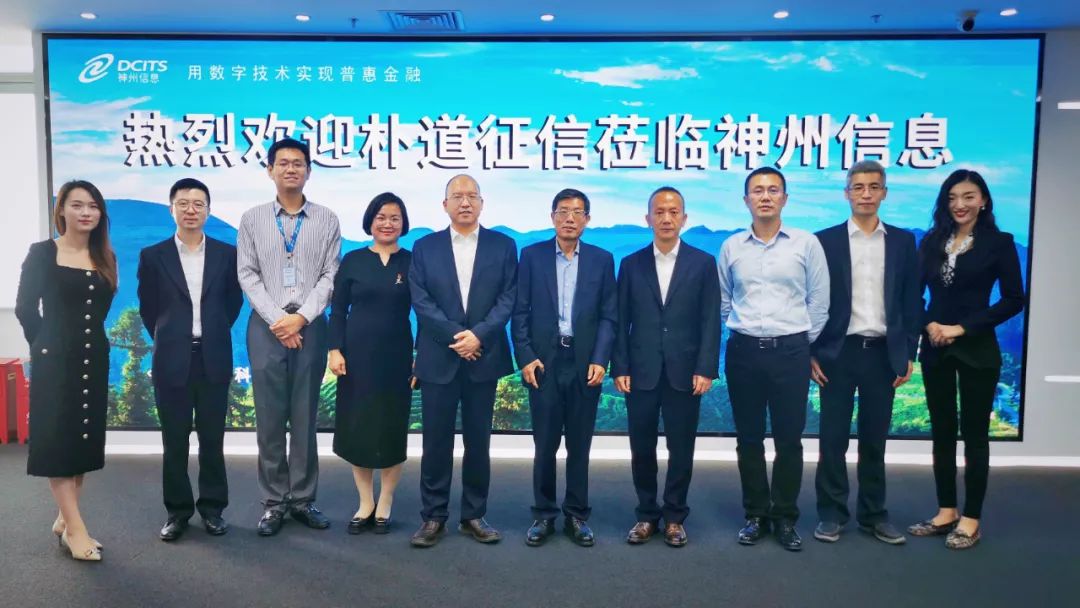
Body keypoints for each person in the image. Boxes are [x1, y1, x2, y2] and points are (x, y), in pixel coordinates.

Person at [907, 169, 1024, 550]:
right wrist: (930, 325)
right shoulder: (932, 241)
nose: (960, 204)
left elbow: (1013, 299)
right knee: (942, 432)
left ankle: (971, 519)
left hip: (977, 349)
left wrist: (961, 328)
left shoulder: (999, 243)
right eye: (952, 197)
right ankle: (946, 511)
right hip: (935, 346)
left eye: (969, 196)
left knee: (974, 436)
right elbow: (912, 295)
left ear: (984, 200)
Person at [718, 167, 830, 552]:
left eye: (773, 190)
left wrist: (798, 342)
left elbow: (819, 302)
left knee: (789, 439)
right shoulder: (732, 246)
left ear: (785, 198)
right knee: (748, 438)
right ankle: (755, 514)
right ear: (745, 199)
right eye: (757, 191)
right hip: (744, 352)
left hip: (791, 352)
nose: (765, 196)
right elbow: (724, 301)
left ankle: (784, 517)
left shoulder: (806, 244)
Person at [810, 161, 920, 546]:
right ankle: (831, 515)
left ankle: (874, 515)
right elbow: (812, 300)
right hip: (838, 353)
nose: (866, 194)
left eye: (874, 187)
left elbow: (911, 299)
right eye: (858, 187)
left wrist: (908, 351)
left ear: (884, 193)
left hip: (882, 354)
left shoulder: (903, 241)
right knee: (832, 439)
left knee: (875, 440)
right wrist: (812, 352)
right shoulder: (825, 241)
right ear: (847, 193)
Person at [237, 138, 341, 536]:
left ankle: (302, 499)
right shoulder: (252, 219)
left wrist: (300, 319)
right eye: (283, 163)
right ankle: (273, 502)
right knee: (268, 418)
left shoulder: (327, 219)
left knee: (304, 416)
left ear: (309, 171)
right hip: (266, 328)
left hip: (310, 327)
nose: (291, 169)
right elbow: (247, 274)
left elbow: (330, 275)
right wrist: (280, 320)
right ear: (270, 170)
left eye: (298, 163)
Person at [408, 174, 517, 548]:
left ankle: (474, 515)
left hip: (483, 357)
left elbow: (508, 297)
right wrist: (458, 337)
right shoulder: (425, 247)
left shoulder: (503, 246)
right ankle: (433, 516)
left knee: (478, 441)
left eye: (472, 196)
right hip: (440, 356)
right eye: (457, 196)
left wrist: (479, 336)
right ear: (445, 205)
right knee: (435, 442)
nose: (465, 202)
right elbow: (421, 301)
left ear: (482, 203)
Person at [611, 186, 721, 548]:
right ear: (648, 219)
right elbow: (620, 320)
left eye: (673, 212)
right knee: (641, 448)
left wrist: (706, 368)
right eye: (659, 212)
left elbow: (710, 321)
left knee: (681, 448)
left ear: (684, 219)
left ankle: (674, 517)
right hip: (640, 371)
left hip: (685, 372)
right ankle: (646, 515)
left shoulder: (703, 263)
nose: (666, 218)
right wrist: (620, 367)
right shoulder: (631, 264)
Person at [15, 180, 118, 561]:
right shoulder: (43, 253)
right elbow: (25, 307)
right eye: (77, 205)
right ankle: (76, 529)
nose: (86, 212)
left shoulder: (104, 256)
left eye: (93, 206)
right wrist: (43, 345)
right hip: (55, 361)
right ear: (61, 210)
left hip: (93, 357)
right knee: (58, 440)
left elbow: (100, 310)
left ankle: (64, 518)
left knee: (83, 438)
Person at [137, 178, 243, 542]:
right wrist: (171, 336)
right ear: (172, 209)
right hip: (171, 359)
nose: (191, 210)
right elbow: (148, 308)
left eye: (198, 204)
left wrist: (210, 331)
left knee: (213, 441)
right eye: (183, 203)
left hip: (213, 357)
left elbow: (232, 303)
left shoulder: (227, 254)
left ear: (208, 210)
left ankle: (212, 509)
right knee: (175, 442)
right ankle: (177, 512)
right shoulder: (153, 256)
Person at [512, 188, 617, 547]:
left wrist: (601, 358)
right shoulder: (532, 256)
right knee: (545, 443)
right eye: (563, 211)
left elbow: (609, 316)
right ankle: (543, 514)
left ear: (587, 219)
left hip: (585, 362)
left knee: (580, 443)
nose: (570, 218)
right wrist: (525, 356)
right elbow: (520, 312)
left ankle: (576, 514)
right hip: (544, 361)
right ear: (552, 217)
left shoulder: (602, 260)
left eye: (577, 212)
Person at [328, 193, 414, 535]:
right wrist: (334, 349)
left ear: (403, 224)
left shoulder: (412, 261)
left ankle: (386, 500)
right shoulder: (353, 260)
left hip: (398, 357)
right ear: (370, 221)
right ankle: (365, 502)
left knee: (392, 427)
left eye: (394, 217)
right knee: (359, 427)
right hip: (356, 357)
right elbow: (337, 310)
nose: (387, 223)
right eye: (381, 217)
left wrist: (421, 356)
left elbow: (426, 312)